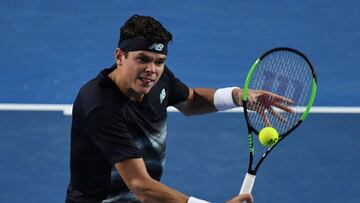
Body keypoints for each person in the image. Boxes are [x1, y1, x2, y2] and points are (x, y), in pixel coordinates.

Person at [65, 14, 292, 203]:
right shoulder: (100, 105)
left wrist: (236, 96)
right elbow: (141, 187)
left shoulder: (158, 81)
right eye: (142, 59)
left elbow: (191, 100)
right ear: (119, 56)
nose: (152, 70)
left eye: (159, 61)